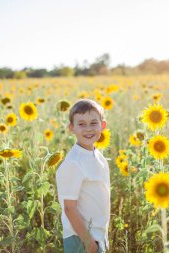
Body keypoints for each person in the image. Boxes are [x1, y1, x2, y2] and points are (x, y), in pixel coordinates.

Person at [56, 99, 110, 253]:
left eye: (94, 123)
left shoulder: (97, 156)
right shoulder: (74, 163)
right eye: (81, 124)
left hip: (96, 236)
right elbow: (69, 208)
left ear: (103, 125)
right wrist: (89, 243)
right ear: (71, 128)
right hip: (80, 238)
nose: (88, 129)